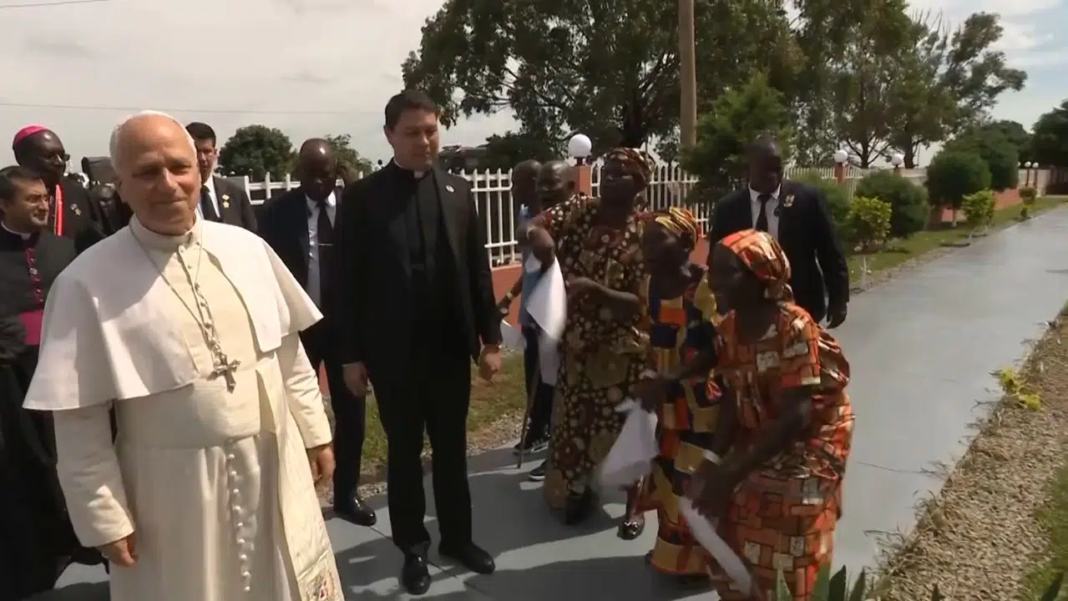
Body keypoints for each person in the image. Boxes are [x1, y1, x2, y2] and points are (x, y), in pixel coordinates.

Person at [22, 111, 342, 601]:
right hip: (170, 496)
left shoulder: (249, 249)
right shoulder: (85, 282)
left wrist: (316, 433)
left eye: (179, 167)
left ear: (200, 170)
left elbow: (287, 354)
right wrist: (104, 514)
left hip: (274, 466)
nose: (168, 184)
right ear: (120, 186)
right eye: (148, 172)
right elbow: (79, 420)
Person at [334, 90, 502, 596]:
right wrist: (350, 356)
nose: (424, 141)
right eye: (412, 133)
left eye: (431, 130)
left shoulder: (458, 191)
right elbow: (346, 284)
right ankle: (413, 548)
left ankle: (458, 538)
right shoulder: (362, 200)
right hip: (393, 355)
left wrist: (491, 339)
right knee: (404, 455)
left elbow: (478, 271)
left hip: (449, 349)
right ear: (390, 135)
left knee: (452, 450)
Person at [639, 229, 854, 600]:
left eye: (726, 272)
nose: (712, 281)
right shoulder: (730, 327)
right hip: (763, 432)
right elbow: (731, 398)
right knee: (729, 518)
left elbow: (796, 416)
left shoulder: (794, 327)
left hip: (809, 441)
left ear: (762, 279)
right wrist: (711, 462)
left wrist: (729, 474)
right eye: (712, 270)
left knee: (788, 516)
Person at [518, 148, 649, 533]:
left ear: (639, 184)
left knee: (624, 428)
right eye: (607, 170)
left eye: (621, 173)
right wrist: (538, 236)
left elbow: (643, 304)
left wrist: (598, 292)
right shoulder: (579, 211)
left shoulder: (646, 233)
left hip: (622, 354)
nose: (609, 177)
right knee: (573, 425)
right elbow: (531, 226)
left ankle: (635, 504)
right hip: (576, 347)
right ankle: (578, 491)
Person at [259, 138, 375, 527]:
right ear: (298, 172)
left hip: (347, 330)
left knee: (351, 413)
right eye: (310, 175)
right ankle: (300, 497)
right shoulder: (276, 213)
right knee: (294, 414)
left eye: (325, 174)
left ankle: (346, 494)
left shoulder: (356, 209)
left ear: (335, 170)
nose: (318, 183)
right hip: (298, 329)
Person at [0, 166, 100, 600]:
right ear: (4, 204)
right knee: (26, 465)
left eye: (44, 197)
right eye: (32, 199)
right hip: (13, 376)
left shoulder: (63, 248)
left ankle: (85, 541)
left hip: (66, 367)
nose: (43, 205)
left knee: (76, 454)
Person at [633, 206, 721, 587]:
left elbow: (718, 346)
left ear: (686, 243)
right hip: (666, 401)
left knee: (691, 478)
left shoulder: (704, 287)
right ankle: (675, 556)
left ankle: (701, 563)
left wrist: (672, 376)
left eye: (657, 241)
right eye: (645, 241)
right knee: (669, 476)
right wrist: (648, 377)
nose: (647, 249)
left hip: (701, 403)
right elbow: (648, 337)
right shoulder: (648, 287)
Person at [707, 136, 849, 327]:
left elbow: (830, 251)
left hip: (802, 305)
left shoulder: (807, 199)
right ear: (748, 170)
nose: (773, 175)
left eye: (777, 168)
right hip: (746, 310)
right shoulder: (728, 209)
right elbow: (716, 261)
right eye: (766, 168)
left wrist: (839, 299)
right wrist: (719, 301)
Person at [499, 159, 581, 482]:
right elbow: (530, 265)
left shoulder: (578, 219)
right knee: (537, 377)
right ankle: (540, 430)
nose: (513, 189)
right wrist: (510, 296)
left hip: (564, 315)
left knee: (562, 387)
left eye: (517, 183)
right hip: (535, 311)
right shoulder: (529, 218)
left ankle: (558, 451)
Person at [12, 126, 108, 252]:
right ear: (22, 158)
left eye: (62, 156)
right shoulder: (9, 197)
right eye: (50, 156)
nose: (60, 162)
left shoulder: (80, 194)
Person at [185, 122, 258, 231]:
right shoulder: (175, 197)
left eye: (207, 151)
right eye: (196, 151)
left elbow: (252, 236)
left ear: (215, 153)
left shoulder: (236, 195)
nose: (202, 158)